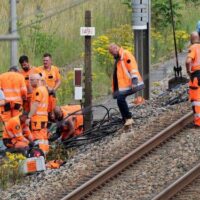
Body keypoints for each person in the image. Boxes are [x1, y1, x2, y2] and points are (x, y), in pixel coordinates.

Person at [108, 43, 144, 126]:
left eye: (112, 52)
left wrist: (134, 81)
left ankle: (128, 118)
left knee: (120, 99)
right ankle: (125, 119)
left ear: (116, 48)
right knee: (119, 100)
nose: (112, 54)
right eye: (111, 53)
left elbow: (132, 67)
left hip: (131, 83)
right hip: (124, 85)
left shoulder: (125, 54)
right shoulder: (119, 58)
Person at [26, 73, 49, 155]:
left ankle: (39, 156)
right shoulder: (44, 89)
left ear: (38, 80)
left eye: (32, 80)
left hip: (37, 119)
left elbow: (35, 105)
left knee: (38, 138)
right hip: (43, 118)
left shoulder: (38, 91)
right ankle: (45, 155)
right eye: (30, 80)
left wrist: (29, 116)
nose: (30, 82)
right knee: (43, 138)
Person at [186, 31, 200, 127]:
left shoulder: (193, 48)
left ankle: (198, 122)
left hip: (196, 76)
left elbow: (188, 61)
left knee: (196, 100)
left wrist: (188, 71)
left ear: (191, 39)